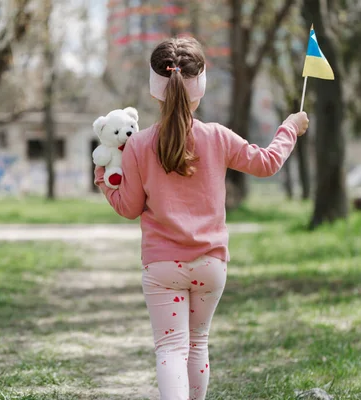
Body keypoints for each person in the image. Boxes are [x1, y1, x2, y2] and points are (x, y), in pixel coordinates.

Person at [94, 37, 309, 400]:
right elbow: (268, 162)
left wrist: (102, 177)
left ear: (154, 90)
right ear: (201, 87)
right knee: (197, 344)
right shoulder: (217, 137)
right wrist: (289, 126)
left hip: (163, 266)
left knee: (171, 349)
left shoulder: (138, 145)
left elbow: (129, 208)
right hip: (210, 266)